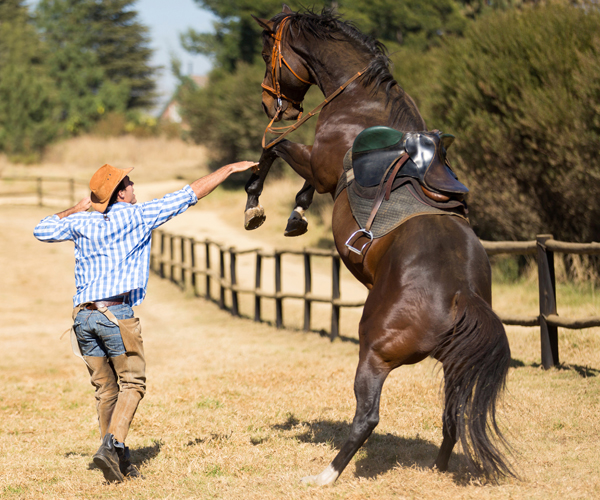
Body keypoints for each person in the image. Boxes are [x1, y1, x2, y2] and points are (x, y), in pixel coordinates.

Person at [33, 160, 257, 483]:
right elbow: (191, 194)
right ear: (121, 193)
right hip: (116, 316)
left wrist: (79, 207)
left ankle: (116, 459)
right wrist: (229, 169)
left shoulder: (82, 222)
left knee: (105, 389)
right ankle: (112, 446)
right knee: (133, 384)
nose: (134, 188)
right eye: (129, 184)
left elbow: (42, 229)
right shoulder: (139, 216)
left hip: (82, 318)